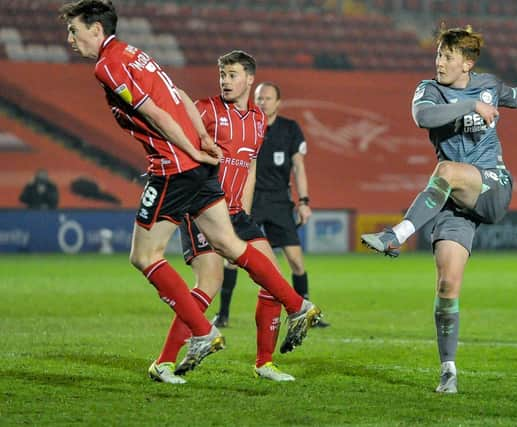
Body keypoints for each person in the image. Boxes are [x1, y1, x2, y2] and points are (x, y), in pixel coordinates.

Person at [59, 0, 321, 383]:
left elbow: (157, 114)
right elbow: (178, 94)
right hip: (198, 172)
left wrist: (190, 147)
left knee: (144, 256)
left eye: (74, 30)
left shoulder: (108, 64)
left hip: (171, 170)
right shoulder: (134, 53)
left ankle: (204, 332)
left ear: (96, 30)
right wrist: (199, 139)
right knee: (230, 248)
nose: (70, 38)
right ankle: (297, 306)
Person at [361, 25, 517, 394]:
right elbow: (424, 118)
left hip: (493, 183)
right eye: (438, 55)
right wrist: (470, 105)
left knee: (446, 170)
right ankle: (448, 370)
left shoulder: (489, 85)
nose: (440, 62)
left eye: (447, 57)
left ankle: (396, 235)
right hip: (453, 199)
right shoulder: (428, 90)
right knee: (447, 284)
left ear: (467, 63)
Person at [153, 51, 314, 383]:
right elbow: (177, 132)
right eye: (222, 75)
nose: (225, 81)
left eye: (232, 75)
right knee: (208, 284)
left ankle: (264, 362)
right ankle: (164, 362)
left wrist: (245, 210)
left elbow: (250, 164)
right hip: (202, 210)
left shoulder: (257, 119)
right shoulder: (206, 109)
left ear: (249, 79)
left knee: (270, 275)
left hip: (237, 214)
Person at [212, 81, 330, 329]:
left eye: (267, 98)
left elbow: (299, 167)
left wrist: (304, 201)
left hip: (279, 202)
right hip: (250, 200)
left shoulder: (290, 129)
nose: (262, 102)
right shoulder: (246, 126)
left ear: (278, 102)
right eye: (259, 98)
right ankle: (222, 314)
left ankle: (305, 311)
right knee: (232, 259)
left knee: (296, 261)